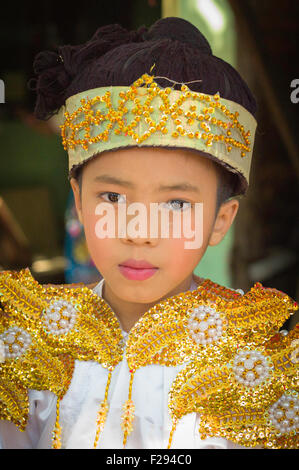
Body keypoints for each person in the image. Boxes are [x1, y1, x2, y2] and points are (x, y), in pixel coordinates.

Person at [0, 17, 298, 450]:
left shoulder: (258, 365)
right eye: (113, 198)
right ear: (78, 202)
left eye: (176, 204)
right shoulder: (25, 343)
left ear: (221, 219)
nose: (139, 233)